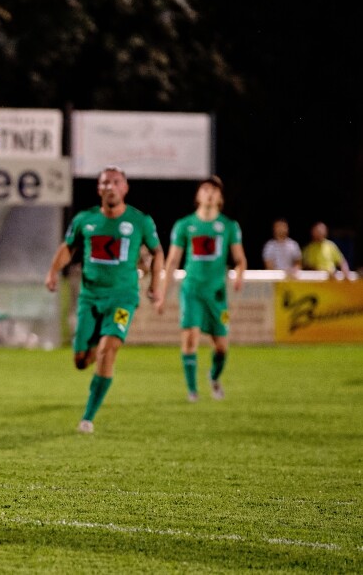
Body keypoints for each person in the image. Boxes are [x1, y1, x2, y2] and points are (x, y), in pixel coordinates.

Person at [45, 166, 164, 434]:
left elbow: (157, 252)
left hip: (123, 297)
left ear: (125, 188)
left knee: (107, 351)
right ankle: (95, 347)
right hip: (90, 297)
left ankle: (87, 417)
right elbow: (69, 248)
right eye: (105, 182)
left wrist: (156, 285)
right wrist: (53, 271)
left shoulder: (139, 221)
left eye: (116, 182)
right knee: (80, 360)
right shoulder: (85, 220)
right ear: (99, 189)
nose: (110, 186)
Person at [157, 176, 247, 402]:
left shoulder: (228, 226)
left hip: (217, 294)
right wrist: (162, 294)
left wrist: (239, 274)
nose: (209, 193)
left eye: (214, 190)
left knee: (222, 348)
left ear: (220, 198)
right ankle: (192, 391)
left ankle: (214, 377)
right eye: (205, 189)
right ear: (198, 196)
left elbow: (240, 259)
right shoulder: (184, 225)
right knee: (190, 337)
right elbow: (172, 261)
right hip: (192, 290)